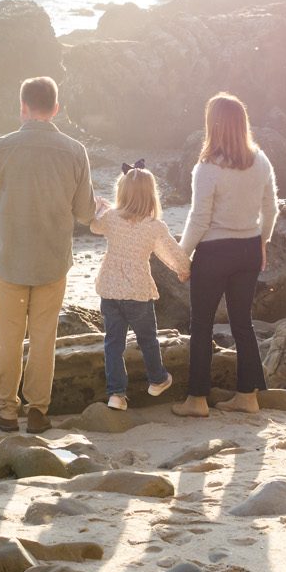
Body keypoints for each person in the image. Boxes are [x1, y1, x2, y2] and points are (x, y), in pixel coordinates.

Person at [0, 75, 93, 432]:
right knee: (43, 338)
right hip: (52, 259)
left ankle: (7, 411)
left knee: (7, 338)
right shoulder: (75, 151)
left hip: (9, 258)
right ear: (56, 108)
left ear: (22, 107)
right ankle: (38, 410)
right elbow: (85, 213)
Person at [173, 92, 278, 417]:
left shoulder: (207, 168)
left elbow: (199, 219)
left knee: (202, 326)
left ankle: (197, 400)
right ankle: (248, 396)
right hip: (248, 249)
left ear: (213, 125)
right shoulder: (260, 161)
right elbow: (271, 208)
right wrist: (263, 242)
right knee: (242, 324)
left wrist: (181, 256)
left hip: (214, 253)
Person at [90, 162, 189, 410]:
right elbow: (173, 252)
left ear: (122, 192)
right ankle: (157, 380)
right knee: (147, 339)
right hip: (137, 292)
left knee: (113, 343)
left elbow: (94, 225)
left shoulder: (111, 218)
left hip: (110, 290)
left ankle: (116, 394)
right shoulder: (154, 226)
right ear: (151, 195)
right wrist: (184, 269)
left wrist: (101, 208)